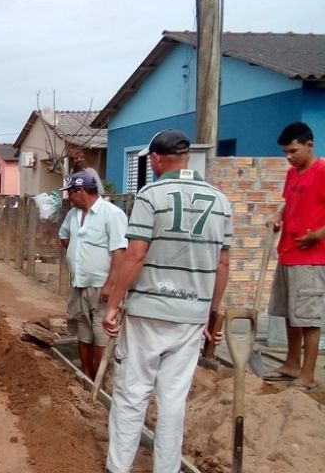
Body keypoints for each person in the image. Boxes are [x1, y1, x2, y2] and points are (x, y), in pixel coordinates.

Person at [101, 129, 231, 473]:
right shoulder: (220, 201)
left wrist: (114, 304)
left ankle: (118, 468)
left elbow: (135, 255)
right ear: (186, 158)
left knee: (132, 394)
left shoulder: (150, 196)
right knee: (173, 401)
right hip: (191, 317)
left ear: (157, 159)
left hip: (148, 314)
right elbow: (223, 263)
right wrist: (211, 316)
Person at [263, 122, 324, 391]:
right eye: (286, 152)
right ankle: (291, 363)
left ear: (309, 145)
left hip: (311, 258)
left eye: (293, 151)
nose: (289, 156)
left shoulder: (322, 171)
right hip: (288, 253)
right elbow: (290, 204)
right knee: (290, 314)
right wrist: (278, 216)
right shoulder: (293, 174)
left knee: (309, 317)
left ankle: (308, 375)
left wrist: (318, 235)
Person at [58, 171, 127, 379]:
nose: (68, 197)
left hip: (101, 286)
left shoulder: (112, 214)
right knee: (83, 332)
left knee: (101, 335)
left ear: (81, 191)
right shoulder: (73, 215)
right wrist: (78, 254)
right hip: (79, 283)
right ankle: (86, 376)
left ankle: (100, 381)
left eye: (70, 192)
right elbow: (64, 237)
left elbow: (120, 252)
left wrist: (110, 284)